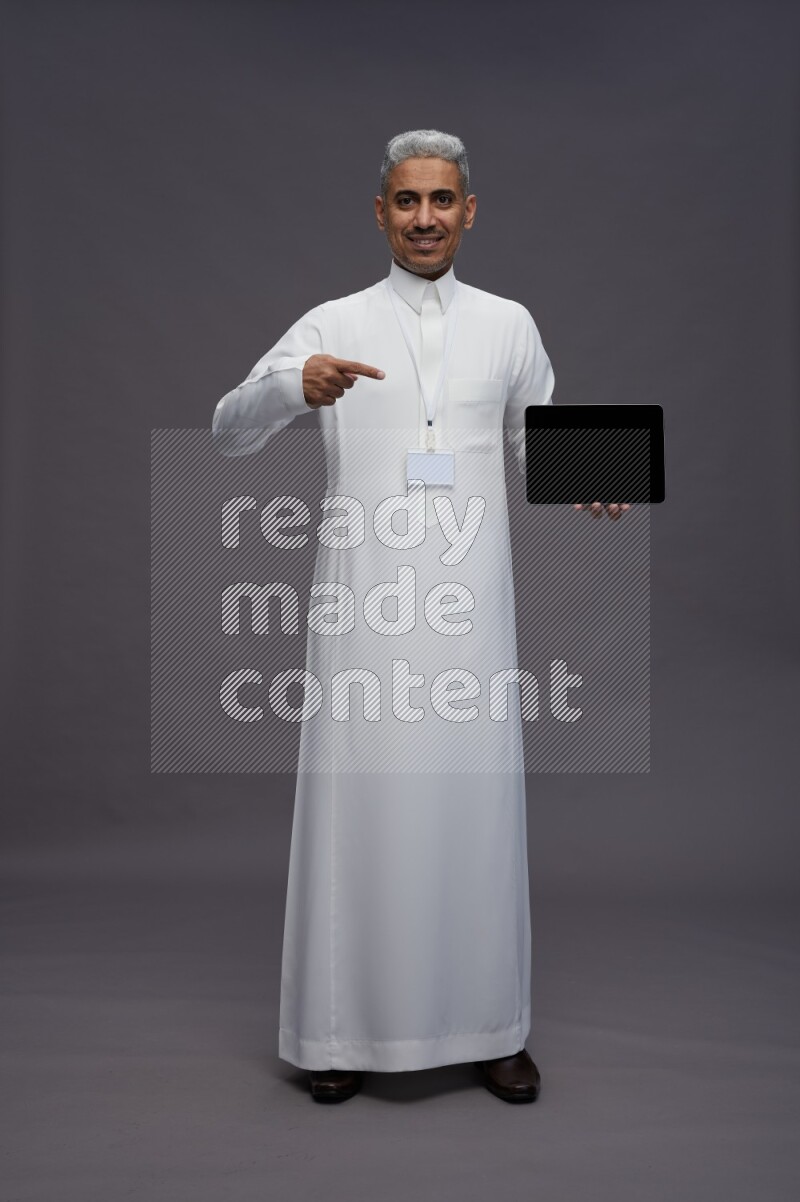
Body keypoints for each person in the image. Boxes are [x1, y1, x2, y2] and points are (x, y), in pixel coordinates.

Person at [212, 129, 628, 1105]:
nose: (425, 218)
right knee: (361, 813)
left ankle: (491, 1026)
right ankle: (337, 1032)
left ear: (468, 210)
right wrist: (289, 385)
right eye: (407, 202)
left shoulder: (508, 324)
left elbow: (535, 438)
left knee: (473, 813)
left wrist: (596, 478)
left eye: (442, 200)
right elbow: (231, 426)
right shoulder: (333, 321)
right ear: (380, 212)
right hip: (364, 613)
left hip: (471, 617)